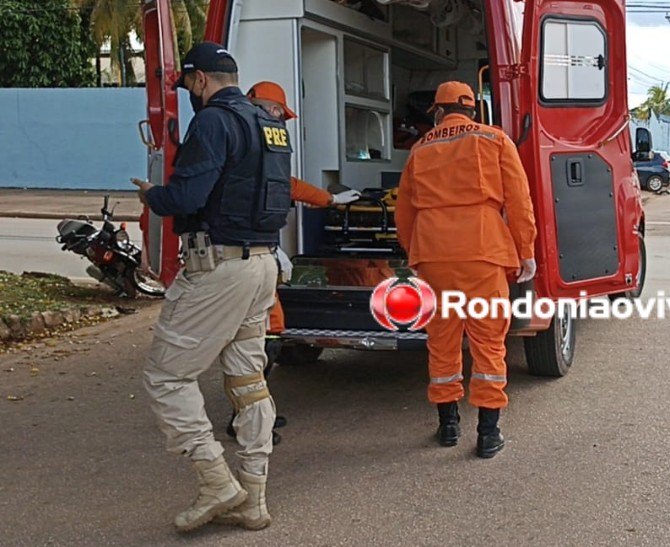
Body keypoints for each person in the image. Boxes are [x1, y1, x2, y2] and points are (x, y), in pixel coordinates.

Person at [131, 42, 289, 532]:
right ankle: (253, 496)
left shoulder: (213, 121)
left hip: (219, 268)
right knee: (247, 380)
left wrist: (154, 195)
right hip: (262, 264)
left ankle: (216, 481)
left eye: (188, 84)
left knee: (167, 377)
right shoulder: (269, 122)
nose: (189, 93)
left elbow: (188, 196)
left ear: (199, 79)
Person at [214, 81, 362, 445]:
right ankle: (245, 419)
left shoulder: (245, 146)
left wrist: (329, 200)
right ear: (268, 108)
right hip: (243, 257)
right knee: (258, 340)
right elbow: (283, 185)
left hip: (252, 254)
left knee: (266, 335)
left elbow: (288, 184)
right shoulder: (245, 146)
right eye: (279, 114)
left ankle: (253, 411)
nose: (279, 122)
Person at [395, 81, 537, 459]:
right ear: (474, 110)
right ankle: (488, 433)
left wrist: (416, 253)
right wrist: (526, 251)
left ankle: (448, 425)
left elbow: (404, 212)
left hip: (434, 256)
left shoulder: (420, 149)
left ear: (439, 112)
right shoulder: (495, 139)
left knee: (442, 340)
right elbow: (519, 201)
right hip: (483, 253)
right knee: (488, 342)